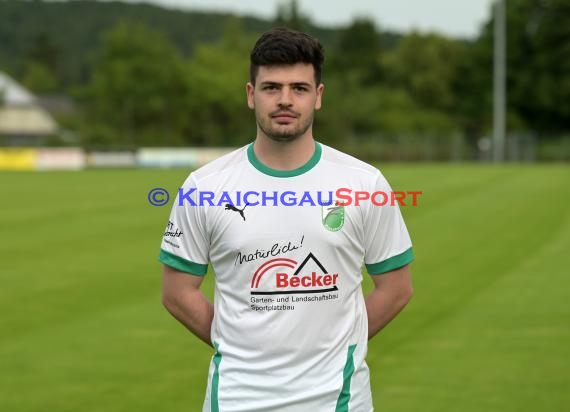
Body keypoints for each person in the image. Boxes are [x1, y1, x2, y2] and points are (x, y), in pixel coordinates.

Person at [159, 27, 414, 412]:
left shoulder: (364, 183)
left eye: (299, 88)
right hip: (235, 398)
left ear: (318, 96)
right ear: (251, 95)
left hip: (338, 400)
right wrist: (240, 345)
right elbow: (177, 293)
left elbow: (396, 288)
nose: (285, 100)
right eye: (271, 88)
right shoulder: (204, 187)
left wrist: (338, 347)